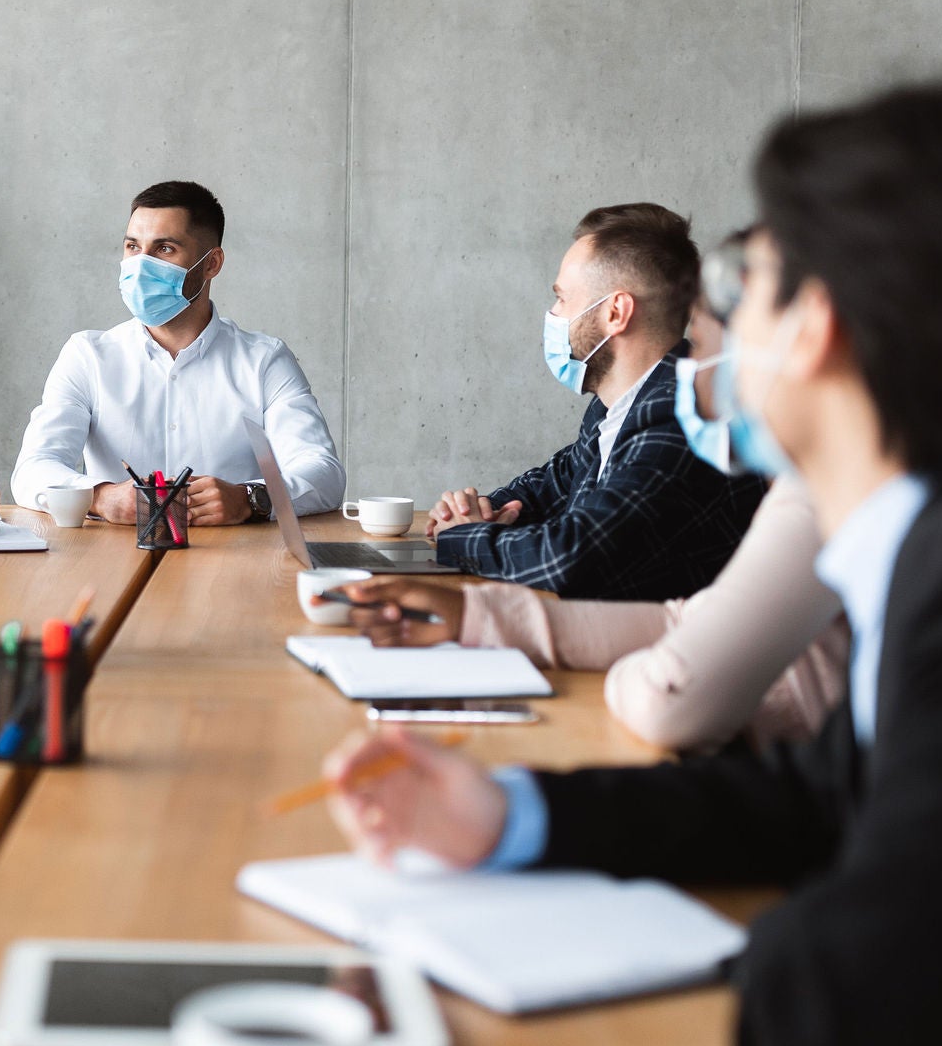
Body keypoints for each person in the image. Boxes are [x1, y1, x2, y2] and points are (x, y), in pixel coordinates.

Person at [322, 83, 942, 1046]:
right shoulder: (913, 549)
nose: (698, 348)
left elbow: (834, 1038)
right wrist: (508, 818)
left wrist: (755, 954)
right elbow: (808, 802)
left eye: (736, 293)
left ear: (815, 327)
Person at [341, 236, 847, 751]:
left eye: (710, 341)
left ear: (810, 341)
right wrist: (474, 612)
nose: (692, 366)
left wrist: (640, 672)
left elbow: (664, 686)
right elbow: (680, 620)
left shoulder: (814, 499)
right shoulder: (619, 413)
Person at [426, 203, 764, 600]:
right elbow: (548, 486)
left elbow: (573, 559)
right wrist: (478, 510)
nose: (552, 315)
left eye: (562, 299)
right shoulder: (616, 405)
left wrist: (464, 537)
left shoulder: (680, 415)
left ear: (615, 312)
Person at [11, 180, 343, 526]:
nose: (141, 265)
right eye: (132, 247)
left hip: (233, 561)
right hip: (112, 561)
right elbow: (33, 469)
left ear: (211, 263)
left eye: (165, 249)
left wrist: (250, 498)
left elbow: (323, 472)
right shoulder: (87, 356)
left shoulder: (264, 360)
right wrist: (100, 497)